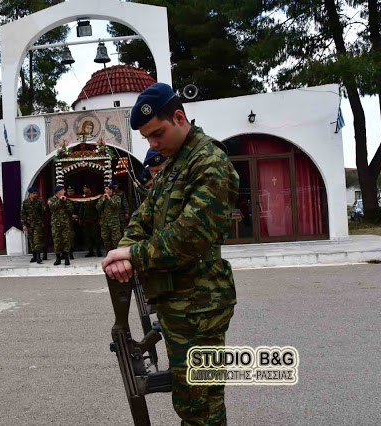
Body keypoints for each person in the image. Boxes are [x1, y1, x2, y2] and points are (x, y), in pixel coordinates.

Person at [102, 82, 240, 426]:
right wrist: (123, 251)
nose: (153, 144)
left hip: (200, 308)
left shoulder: (210, 162)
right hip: (178, 305)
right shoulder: (174, 165)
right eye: (148, 138)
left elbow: (190, 236)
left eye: (157, 133)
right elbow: (144, 217)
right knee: (190, 401)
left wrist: (133, 255)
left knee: (202, 407)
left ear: (179, 117)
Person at [47, 185, 72, 266]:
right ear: (58, 191)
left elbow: (71, 209)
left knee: (66, 240)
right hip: (56, 224)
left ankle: (66, 258)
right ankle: (58, 258)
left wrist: (65, 201)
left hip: (65, 223)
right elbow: (52, 207)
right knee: (57, 241)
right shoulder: (51, 199)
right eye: (62, 190)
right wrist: (60, 201)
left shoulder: (65, 199)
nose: (64, 192)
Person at [20, 187, 46, 264]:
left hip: (37, 223)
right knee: (31, 240)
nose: (35, 195)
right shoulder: (25, 202)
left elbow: (43, 212)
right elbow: (22, 214)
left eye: (36, 193)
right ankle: (34, 256)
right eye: (33, 193)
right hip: (29, 224)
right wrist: (24, 224)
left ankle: (38, 257)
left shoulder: (39, 201)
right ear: (30, 194)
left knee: (37, 239)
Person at [96, 182, 122, 254]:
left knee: (116, 239)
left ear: (111, 190)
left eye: (107, 189)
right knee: (106, 239)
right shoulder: (102, 198)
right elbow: (98, 207)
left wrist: (109, 199)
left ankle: (117, 254)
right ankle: (109, 253)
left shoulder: (117, 198)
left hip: (114, 223)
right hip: (104, 223)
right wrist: (103, 200)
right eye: (105, 189)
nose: (105, 190)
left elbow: (116, 206)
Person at [80, 184, 103, 257]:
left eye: (85, 188)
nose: (84, 189)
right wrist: (80, 218)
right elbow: (81, 209)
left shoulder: (94, 197)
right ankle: (90, 251)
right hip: (86, 220)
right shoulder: (84, 198)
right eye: (83, 188)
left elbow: (99, 209)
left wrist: (99, 218)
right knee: (88, 236)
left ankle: (98, 250)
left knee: (96, 236)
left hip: (94, 220)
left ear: (89, 189)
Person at [66, 186, 80, 259]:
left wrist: (77, 216)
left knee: (78, 233)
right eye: (69, 191)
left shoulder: (77, 199)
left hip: (77, 218)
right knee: (70, 235)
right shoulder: (65, 199)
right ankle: (71, 248)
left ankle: (78, 246)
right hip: (68, 220)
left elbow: (80, 208)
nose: (70, 193)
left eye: (71, 191)